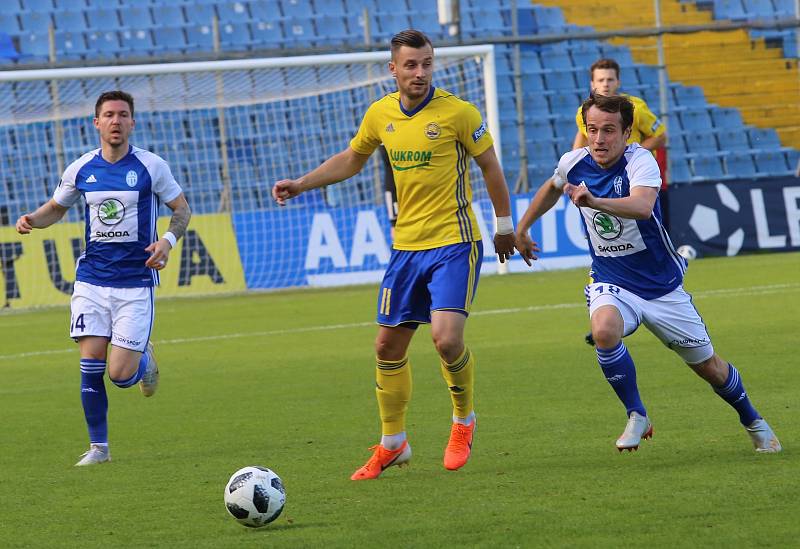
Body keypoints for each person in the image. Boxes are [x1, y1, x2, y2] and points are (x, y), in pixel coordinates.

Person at [273, 29, 517, 480]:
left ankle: (463, 420)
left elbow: (490, 166)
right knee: (386, 346)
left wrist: (505, 227)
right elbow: (352, 157)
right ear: (394, 69)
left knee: (445, 339)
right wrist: (302, 183)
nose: (419, 72)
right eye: (410, 65)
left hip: (454, 243)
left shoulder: (459, 113)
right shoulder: (379, 113)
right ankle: (393, 442)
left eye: (426, 63)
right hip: (406, 249)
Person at [515, 94, 781, 454]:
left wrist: (593, 201)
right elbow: (551, 187)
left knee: (710, 369)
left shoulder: (641, 162)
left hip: (661, 288)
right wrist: (523, 228)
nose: (598, 139)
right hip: (612, 279)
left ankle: (753, 421)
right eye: (592, 130)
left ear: (627, 133)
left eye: (609, 131)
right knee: (604, 330)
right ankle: (637, 414)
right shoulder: (573, 163)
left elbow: (641, 207)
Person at [15, 90, 191, 466]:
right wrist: (32, 219)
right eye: (108, 115)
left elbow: (181, 209)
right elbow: (56, 209)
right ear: (96, 122)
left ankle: (145, 359)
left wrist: (168, 241)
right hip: (92, 281)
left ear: (132, 122)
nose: (115, 121)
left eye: (122, 115)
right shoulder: (81, 169)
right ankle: (99, 448)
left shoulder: (151, 166)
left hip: (135, 283)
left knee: (121, 375)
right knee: (90, 363)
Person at [573, 58, 668, 346]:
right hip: (600, 187)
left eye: (610, 80)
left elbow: (660, 135)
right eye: (600, 80)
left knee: (641, 247)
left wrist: (635, 152)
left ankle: (637, 308)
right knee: (604, 250)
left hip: (634, 184)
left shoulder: (635, 107)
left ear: (618, 82)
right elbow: (580, 143)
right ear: (592, 84)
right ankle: (607, 319)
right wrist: (572, 169)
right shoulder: (583, 112)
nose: (605, 84)